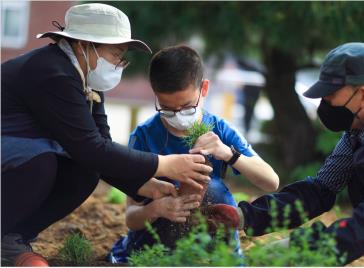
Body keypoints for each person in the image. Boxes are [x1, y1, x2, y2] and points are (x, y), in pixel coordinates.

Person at [1, 4, 212, 266]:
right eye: (116, 54)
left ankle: (11, 239)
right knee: (38, 163)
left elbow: (100, 147)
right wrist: (166, 164)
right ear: (85, 45)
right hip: (10, 151)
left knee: (84, 171)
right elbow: (91, 148)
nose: (119, 64)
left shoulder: (87, 81)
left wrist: (142, 184)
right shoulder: (52, 72)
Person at [204, 42, 364, 266]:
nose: (324, 104)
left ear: (363, 95)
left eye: (330, 95)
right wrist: (245, 216)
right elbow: (319, 191)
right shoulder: (358, 130)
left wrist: (300, 249)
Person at [107, 45, 279, 264]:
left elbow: (271, 182)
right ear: (156, 95)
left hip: (209, 242)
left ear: (204, 89)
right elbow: (132, 218)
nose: (178, 116)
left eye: (187, 107)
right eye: (167, 108)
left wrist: (228, 153)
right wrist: (157, 208)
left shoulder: (219, 130)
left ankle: (220, 259)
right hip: (155, 246)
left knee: (214, 188)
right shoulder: (143, 137)